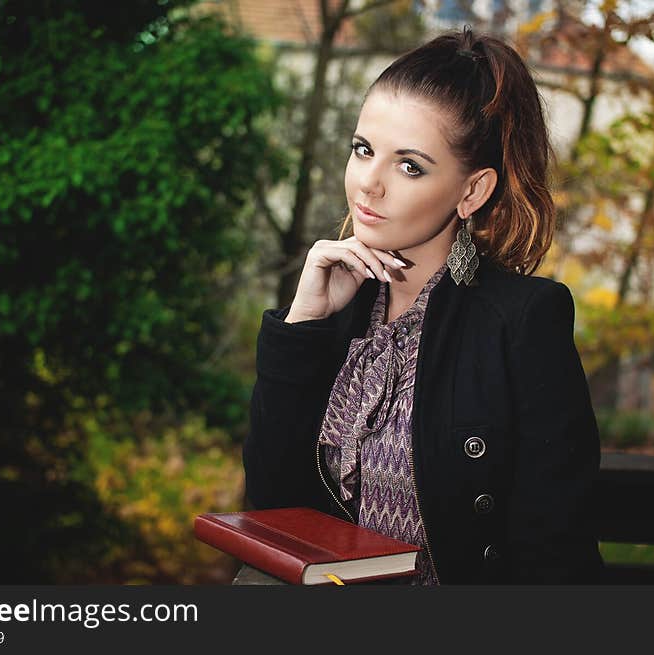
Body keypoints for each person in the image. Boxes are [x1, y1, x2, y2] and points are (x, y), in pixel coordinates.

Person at [243, 26, 604, 585]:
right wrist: (302, 326)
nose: (369, 184)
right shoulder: (339, 304)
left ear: (472, 192)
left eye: (409, 165)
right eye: (363, 150)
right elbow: (271, 509)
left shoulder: (523, 321)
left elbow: (554, 551)